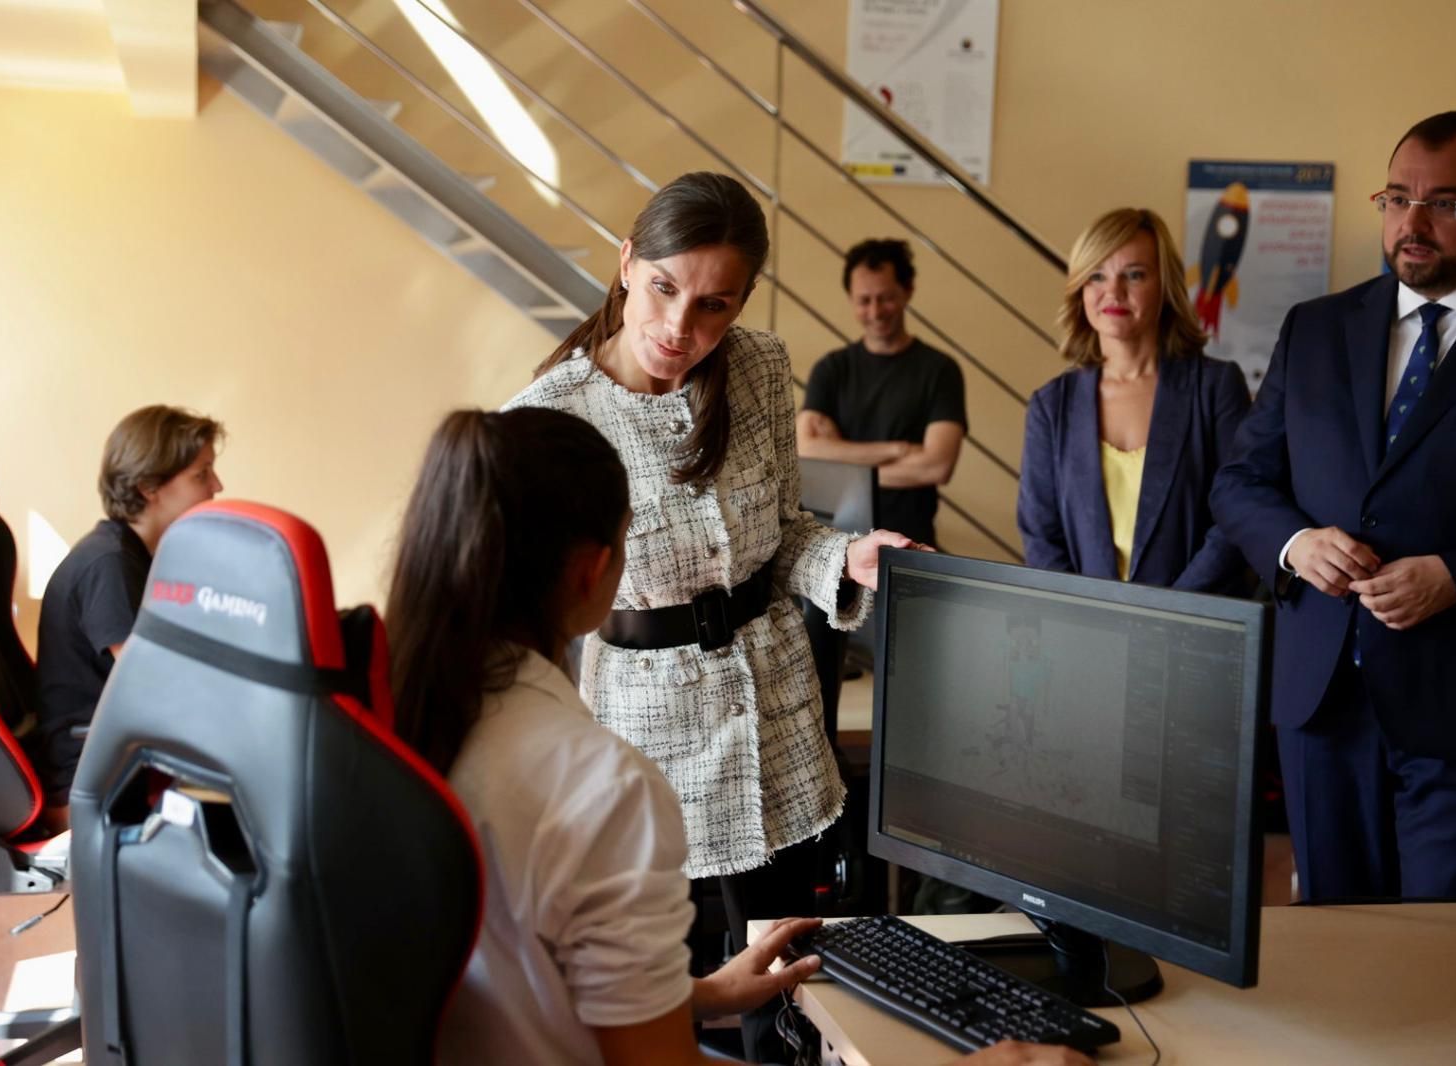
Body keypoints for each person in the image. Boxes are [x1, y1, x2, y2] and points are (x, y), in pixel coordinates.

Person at [385, 406, 1092, 1066]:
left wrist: (702, 994)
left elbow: (528, 980)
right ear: (592, 569)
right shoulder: (601, 788)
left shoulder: (410, 708)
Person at [503, 172, 914, 1060]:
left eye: (714, 305)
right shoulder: (547, 419)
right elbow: (519, 616)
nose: (681, 329)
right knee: (655, 993)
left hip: (778, 715)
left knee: (793, 982)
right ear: (625, 263)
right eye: (663, 289)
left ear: (743, 303)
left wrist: (846, 559)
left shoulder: (760, 366)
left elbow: (786, 533)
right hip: (645, 730)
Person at [1210, 111, 1456, 902]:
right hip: (1321, 705)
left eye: (1446, 204)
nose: (1412, 223)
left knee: (1438, 967)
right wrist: (1296, 544)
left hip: (1453, 714)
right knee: (1335, 946)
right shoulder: (1315, 329)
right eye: (1395, 198)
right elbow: (1240, 482)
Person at [1018, 207, 1251, 593]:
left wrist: (1169, 615)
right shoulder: (1050, 406)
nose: (1114, 292)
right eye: (1096, 276)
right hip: (1085, 630)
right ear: (1080, 289)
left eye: (1134, 275)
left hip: (1196, 626)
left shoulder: (1216, 387)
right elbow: (1041, 538)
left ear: (1165, 285)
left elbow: (1235, 518)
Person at [35, 405, 223, 828]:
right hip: (90, 782)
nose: (217, 486)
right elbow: (157, 688)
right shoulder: (110, 566)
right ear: (149, 487)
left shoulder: (130, 556)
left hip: (116, 760)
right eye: (201, 474)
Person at [797, 238, 967, 547]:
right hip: (836, 548)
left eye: (885, 298)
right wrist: (900, 451)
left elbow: (937, 465)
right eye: (864, 300)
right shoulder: (831, 369)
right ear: (850, 299)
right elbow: (806, 450)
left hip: (910, 545)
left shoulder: (940, 370)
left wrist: (839, 457)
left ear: (908, 291)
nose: (875, 311)